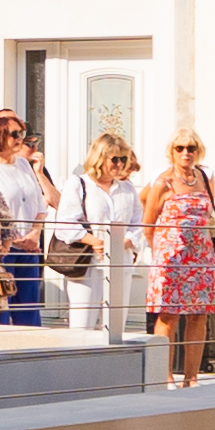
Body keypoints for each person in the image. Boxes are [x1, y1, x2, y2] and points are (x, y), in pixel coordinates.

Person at [146, 133, 215, 382]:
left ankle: (191, 377)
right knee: (167, 315)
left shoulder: (204, 177)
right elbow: (148, 224)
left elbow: (210, 214)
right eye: (179, 148)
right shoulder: (163, 183)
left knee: (198, 315)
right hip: (171, 259)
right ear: (171, 151)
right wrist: (159, 252)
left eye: (190, 148)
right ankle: (164, 377)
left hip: (201, 256)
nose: (185, 152)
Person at [0, 116, 53, 330]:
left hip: (29, 246)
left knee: (29, 307)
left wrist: (34, 234)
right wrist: (12, 237)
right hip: (2, 248)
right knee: (3, 303)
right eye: (15, 134)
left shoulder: (23, 164)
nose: (20, 139)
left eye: (21, 134)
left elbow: (40, 204)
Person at [74, 131, 147, 337]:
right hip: (88, 262)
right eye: (114, 159)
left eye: (123, 159)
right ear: (100, 157)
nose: (119, 164)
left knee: (114, 326)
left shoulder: (127, 188)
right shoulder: (80, 184)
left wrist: (126, 241)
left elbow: (137, 222)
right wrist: (96, 241)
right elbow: (66, 223)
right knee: (82, 326)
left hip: (118, 263)